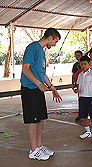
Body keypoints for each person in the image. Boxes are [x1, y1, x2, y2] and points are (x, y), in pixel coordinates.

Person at [20, 28, 62, 160]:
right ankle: (33, 150)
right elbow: (25, 70)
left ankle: (39, 146)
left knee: (40, 119)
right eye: (55, 41)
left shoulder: (42, 52)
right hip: (29, 89)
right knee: (34, 121)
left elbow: (42, 74)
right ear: (50, 38)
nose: (55, 44)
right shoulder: (32, 48)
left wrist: (52, 87)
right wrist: (38, 84)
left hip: (38, 90)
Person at [74, 56, 92, 144]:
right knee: (84, 116)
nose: (83, 66)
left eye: (85, 64)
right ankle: (87, 131)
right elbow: (79, 85)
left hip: (90, 97)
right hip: (82, 97)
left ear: (89, 64)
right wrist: (77, 90)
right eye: (81, 64)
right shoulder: (80, 75)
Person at [71, 50, 83, 121]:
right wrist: (72, 84)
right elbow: (73, 75)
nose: (77, 57)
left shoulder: (85, 63)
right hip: (78, 83)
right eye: (76, 55)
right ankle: (81, 114)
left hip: (85, 83)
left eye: (79, 55)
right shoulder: (75, 65)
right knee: (80, 99)